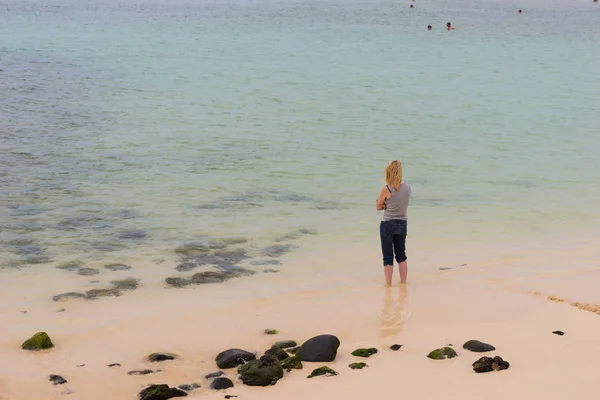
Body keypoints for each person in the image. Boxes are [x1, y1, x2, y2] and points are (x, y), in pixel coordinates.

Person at [376, 160, 411, 286]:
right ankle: (403, 283)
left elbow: (379, 207)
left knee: (388, 257)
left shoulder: (386, 189)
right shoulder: (407, 187)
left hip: (388, 224)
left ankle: (388, 285)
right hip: (402, 223)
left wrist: (382, 203)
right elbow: (402, 203)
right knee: (401, 255)